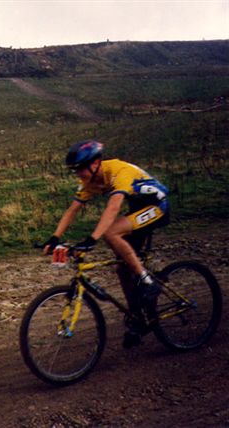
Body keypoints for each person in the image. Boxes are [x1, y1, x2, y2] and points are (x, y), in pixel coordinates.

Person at [42, 140, 170, 348]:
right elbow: (72, 210)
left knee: (111, 233)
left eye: (81, 169)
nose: (79, 174)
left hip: (157, 207)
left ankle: (148, 282)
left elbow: (113, 208)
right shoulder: (90, 182)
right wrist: (54, 237)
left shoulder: (119, 171)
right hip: (138, 209)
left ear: (96, 163)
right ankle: (137, 318)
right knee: (121, 268)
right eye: (75, 170)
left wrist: (92, 239)